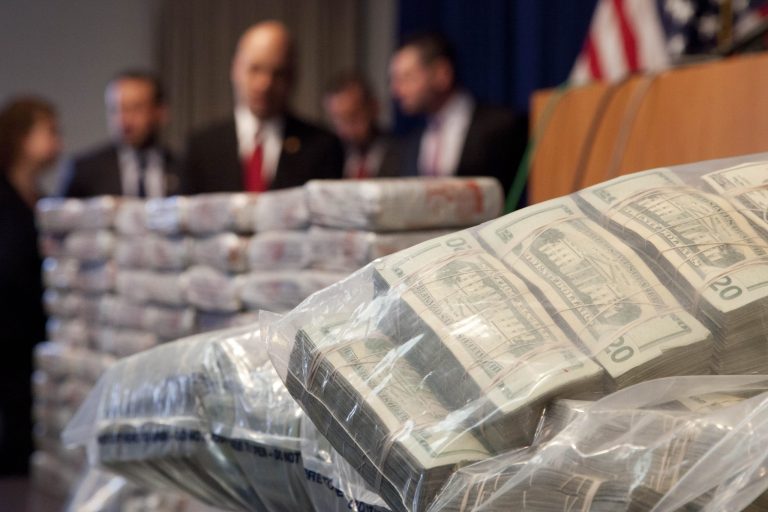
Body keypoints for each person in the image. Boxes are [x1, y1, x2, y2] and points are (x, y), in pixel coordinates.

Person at [180, 21, 344, 194]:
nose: (265, 84)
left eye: (278, 73)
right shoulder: (202, 147)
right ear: (236, 69)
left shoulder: (321, 146)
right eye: (255, 69)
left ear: (292, 77)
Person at [382, 32, 528, 202]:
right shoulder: (410, 144)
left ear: (442, 74)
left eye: (406, 78)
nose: (396, 91)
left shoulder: (503, 126)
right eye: (394, 80)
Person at [0, 97, 61, 475]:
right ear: (23, 138)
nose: (59, 143)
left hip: (31, 336)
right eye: (51, 132)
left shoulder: (41, 198)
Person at [59, 70, 178, 198]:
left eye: (135, 108)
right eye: (115, 109)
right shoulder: (84, 171)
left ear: (160, 112)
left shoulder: (183, 168)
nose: (124, 120)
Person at [323, 72, 390, 179]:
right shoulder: (330, 159)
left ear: (374, 107)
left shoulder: (404, 153)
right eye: (338, 120)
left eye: (352, 116)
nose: (344, 129)